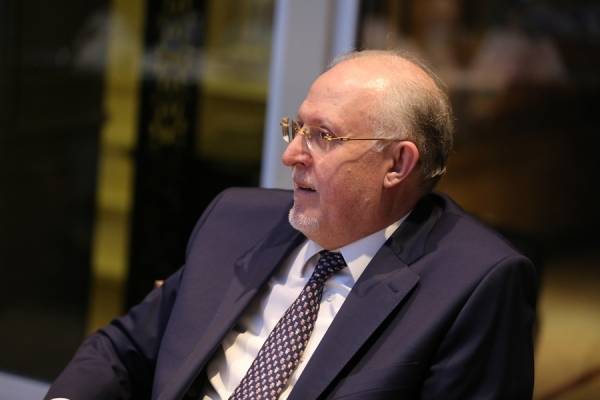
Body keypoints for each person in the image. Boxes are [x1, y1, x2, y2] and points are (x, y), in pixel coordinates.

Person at [46, 50, 537, 400]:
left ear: (397, 164)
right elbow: (126, 348)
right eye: (297, 128)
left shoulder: (474, 284)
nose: (292, 155)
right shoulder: (236, 220)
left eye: (323, 136)